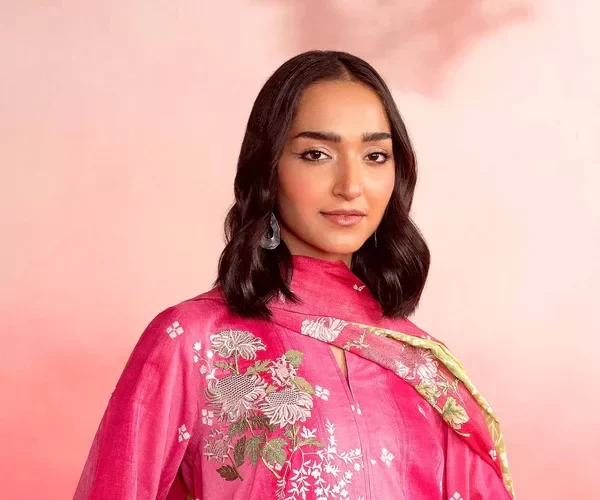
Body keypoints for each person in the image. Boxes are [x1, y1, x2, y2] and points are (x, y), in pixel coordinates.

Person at [74, 50, 514, 500]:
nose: (350, 186)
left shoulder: (422, 368)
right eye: (316, 154)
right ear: (269, 169)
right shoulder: (194, 341)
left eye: (375, 155)